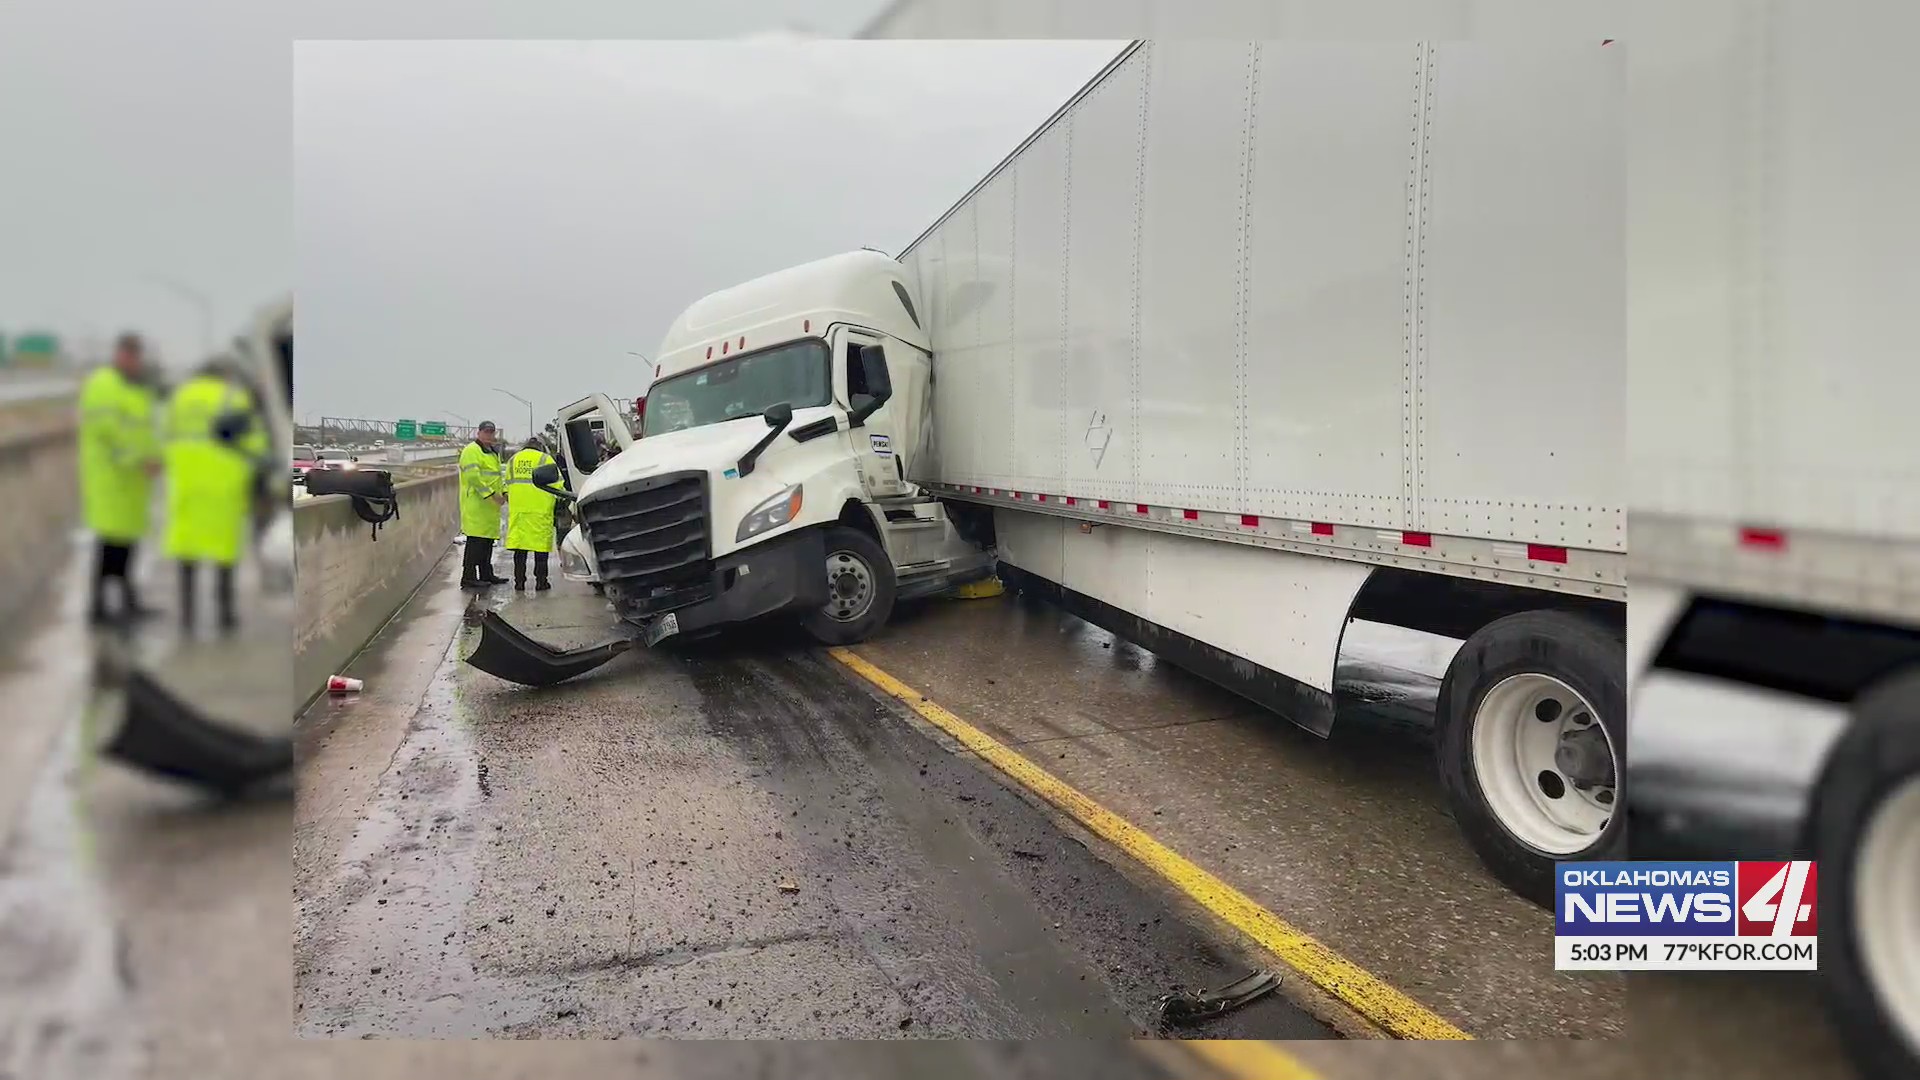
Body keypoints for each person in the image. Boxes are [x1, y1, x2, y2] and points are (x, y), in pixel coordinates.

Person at [162, 357, 268, 634]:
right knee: (224, 552)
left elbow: (163, 436)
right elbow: (254, 442)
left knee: (187, 551)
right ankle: (225, 613)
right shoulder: (234, 397)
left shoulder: (181, 397)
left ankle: (187, 617)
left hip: (187, 482)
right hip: (225, 483)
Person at [78, 332, 162, 626]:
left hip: (132, 484)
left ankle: (127, 601)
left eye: (138, 357)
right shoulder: (104, 386)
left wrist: (154, 458)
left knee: (126, 546)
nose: (135, 362)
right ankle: (98, 608)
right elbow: (110, 435)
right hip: (112, 479)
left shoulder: (135, 390)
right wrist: (142, 461)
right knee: (109, 546)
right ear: (120, 355)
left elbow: (143, 433)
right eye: (131, 356)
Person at [504, 434, 566, 591]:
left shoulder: (513, 460)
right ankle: (541, 582)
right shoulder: (545, 460)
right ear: (540, 447)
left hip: (519, 512)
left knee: (520, 550)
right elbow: (559, 486)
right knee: (540, 550)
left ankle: (519, 583)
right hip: (540, 511)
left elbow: (505, 487)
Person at [458, 420, 508, 589]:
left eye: (492, 432)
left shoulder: (492, 452)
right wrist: (492, 495)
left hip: (489, 507)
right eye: (486, 432)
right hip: (476, 504)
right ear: (478, 433)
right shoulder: (471, 451)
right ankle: (468, 577)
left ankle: (486, 573)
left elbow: (497, 477)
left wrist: (504, 493)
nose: (489, 435)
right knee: (475, 543)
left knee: (487, 542)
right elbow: (474, 478)